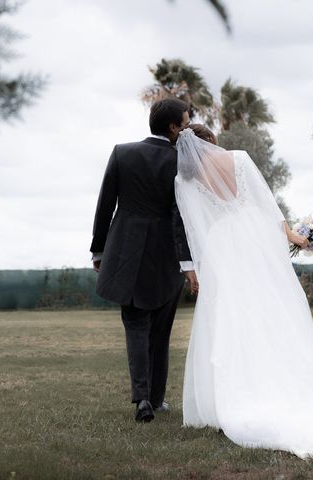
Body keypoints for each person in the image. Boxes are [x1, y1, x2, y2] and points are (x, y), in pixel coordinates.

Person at [175, 125, 313, 458]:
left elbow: (194, 227)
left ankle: (240, 390)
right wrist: (293, 236)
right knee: (273, 308)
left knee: (233, 315)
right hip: (256, 236)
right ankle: (285, 379)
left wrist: (201, 267)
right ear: (210, 142)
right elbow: (268, 205)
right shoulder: (238, 159)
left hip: (222, 245)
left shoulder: (185, 180)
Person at [90, 98, 198, 423]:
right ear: (172, 127)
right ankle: (156, 398)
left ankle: (142, 400)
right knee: (160, 333)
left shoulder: (122, 153)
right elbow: (181, 216)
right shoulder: (181, 161)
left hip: (126, 252)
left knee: (135, 326)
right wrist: (187, 261)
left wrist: (98, 250)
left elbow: (105, 205)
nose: (188, 128)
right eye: (186, 122)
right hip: (166, 258)